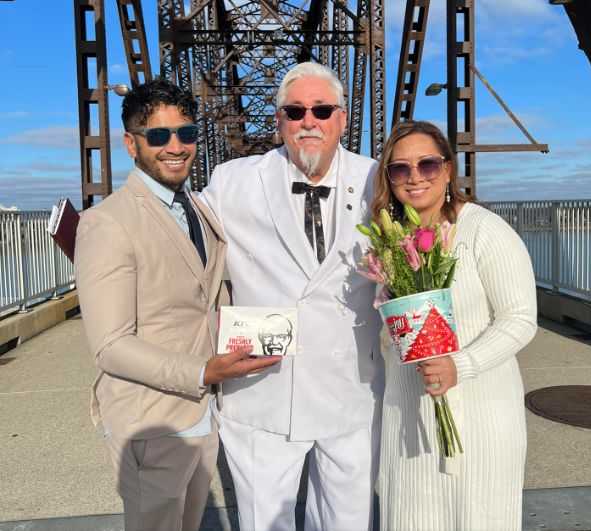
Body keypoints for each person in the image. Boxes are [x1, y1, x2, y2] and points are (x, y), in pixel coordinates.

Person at [74, 79, 280, 531]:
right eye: (158, 135)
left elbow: (204, 296)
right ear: (131, 143)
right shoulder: (106, 224)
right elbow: (110, 345)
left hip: (203, 414)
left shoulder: (196, 208)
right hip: (151, 421)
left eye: (186, 134)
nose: (175, 146)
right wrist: (202, 372)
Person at [200, 62, 385, 531]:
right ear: (279, 119)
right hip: (263, 390)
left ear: (342, 118)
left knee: (348, 523)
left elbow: (428, 237)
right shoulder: (231, 181)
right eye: (295, 110)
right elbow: (178, 242)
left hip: (352, 389)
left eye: (322, 110)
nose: (309, 121)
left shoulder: (379, 180)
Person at [372, 120, 537, 530]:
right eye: (399, 169)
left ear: (448, 170)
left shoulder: (484, 230)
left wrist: (459, 365)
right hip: (408, 416)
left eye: (427, 165)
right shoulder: (392, 241)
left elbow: (520, 319)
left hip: (479, 418)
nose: (414, 177)